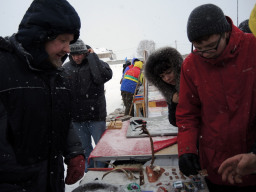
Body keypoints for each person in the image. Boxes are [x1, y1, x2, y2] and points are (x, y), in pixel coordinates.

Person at [0, 0, 86, 191]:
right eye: (62, 40)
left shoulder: (56, 73)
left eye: (70, 42)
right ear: (39, 36)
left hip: (51, 180)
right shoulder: (4, 68)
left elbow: (58, 116)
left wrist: (73, 151)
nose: (68, 49)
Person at [176, 3, 256, 192]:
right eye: (199, 48)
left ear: (225, 32)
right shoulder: (191, 65)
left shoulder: (253, 48)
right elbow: (187, 114)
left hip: (252, 159)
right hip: (216, 163)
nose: (206, 54)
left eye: (211, 46)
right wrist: (186, 149)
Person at [63, 39, 112, 172]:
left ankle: (102, 171)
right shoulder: (66, 68)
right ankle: (89, 172)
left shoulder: (95, 63)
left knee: (101, 147)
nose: (76, 57)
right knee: (84, 148)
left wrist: (93, 57)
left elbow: (103, 76)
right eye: (73, 54)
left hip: (96, 116)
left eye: (79, 54)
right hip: (77, 118)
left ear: (85, 52)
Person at [144, 47, 183, 126]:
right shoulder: (171, 91)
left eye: (169, 72)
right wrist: (173, 103)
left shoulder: (192, 84)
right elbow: (174, 121)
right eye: (162, 76)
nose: (167, 78)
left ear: (177, 68)